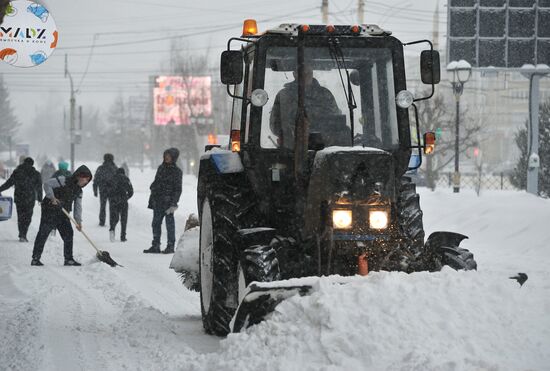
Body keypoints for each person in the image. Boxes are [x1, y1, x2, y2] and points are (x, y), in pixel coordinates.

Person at [31, 165, 93, 266]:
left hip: (63, 212)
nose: (85, 181)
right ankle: (35, 258)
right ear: (78, 176)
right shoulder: (63, 180)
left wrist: (78, 222)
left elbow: (78, 207)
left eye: (87, 180)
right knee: (44, 232)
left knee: (68, 234)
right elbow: (47, 184)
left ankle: (68, 259)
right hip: (49, 209)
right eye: (84, 178)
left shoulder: (79, 191)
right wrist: (52, 198)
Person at [269, 64, 342, 149]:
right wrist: (292, 131)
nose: (306, 75)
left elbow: (336, 122)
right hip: (291, 149)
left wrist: (318, 128)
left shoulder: (325, 95)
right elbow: (275, 125)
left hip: (323, 148)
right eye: (302, 73)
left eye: (309, 72)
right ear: (294, 74)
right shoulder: (284, 96)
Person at [144, 148, 182, 254]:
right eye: (165, 155)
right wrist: (153, 189)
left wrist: (174, 203)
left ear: (174, 157)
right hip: (158, 200)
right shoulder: (161, 168)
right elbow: (156, 182)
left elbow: (178, 189)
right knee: (155, 223)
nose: (166, 157)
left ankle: (170, 246)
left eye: (169, 156)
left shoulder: (177, 172)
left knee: (169, 225)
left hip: (169, 202)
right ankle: (155, 245)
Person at [0, 157, 42, 242]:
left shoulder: (18, 172)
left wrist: (0, 189)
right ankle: (24, 234)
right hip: (30, 199)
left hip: (19, 198)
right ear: (32, 164)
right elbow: (39, 187)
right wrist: (40, 198)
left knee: (21, 217)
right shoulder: (36, 174)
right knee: (28, 217)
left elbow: (9, 183)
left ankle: (21, 234)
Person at [108, 167, 133, 242]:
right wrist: (126, 197)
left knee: (114, 217)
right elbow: (131, 191)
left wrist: (111, 198)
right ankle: (123, 236)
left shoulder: (112, 179)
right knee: (124, 219)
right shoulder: (126, 179)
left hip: (113, 201)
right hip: (123, 201)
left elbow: (107, 190)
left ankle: (112, 230)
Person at [93, 153, 117, 227]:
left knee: (102, 206)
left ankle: (102, 221)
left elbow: (96, 180)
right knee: (112, 207)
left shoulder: (100, 168)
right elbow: (118, 179)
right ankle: (112, 221)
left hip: (102, 190)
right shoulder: (115, 168)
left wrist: (95, 191)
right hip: (112, 190)